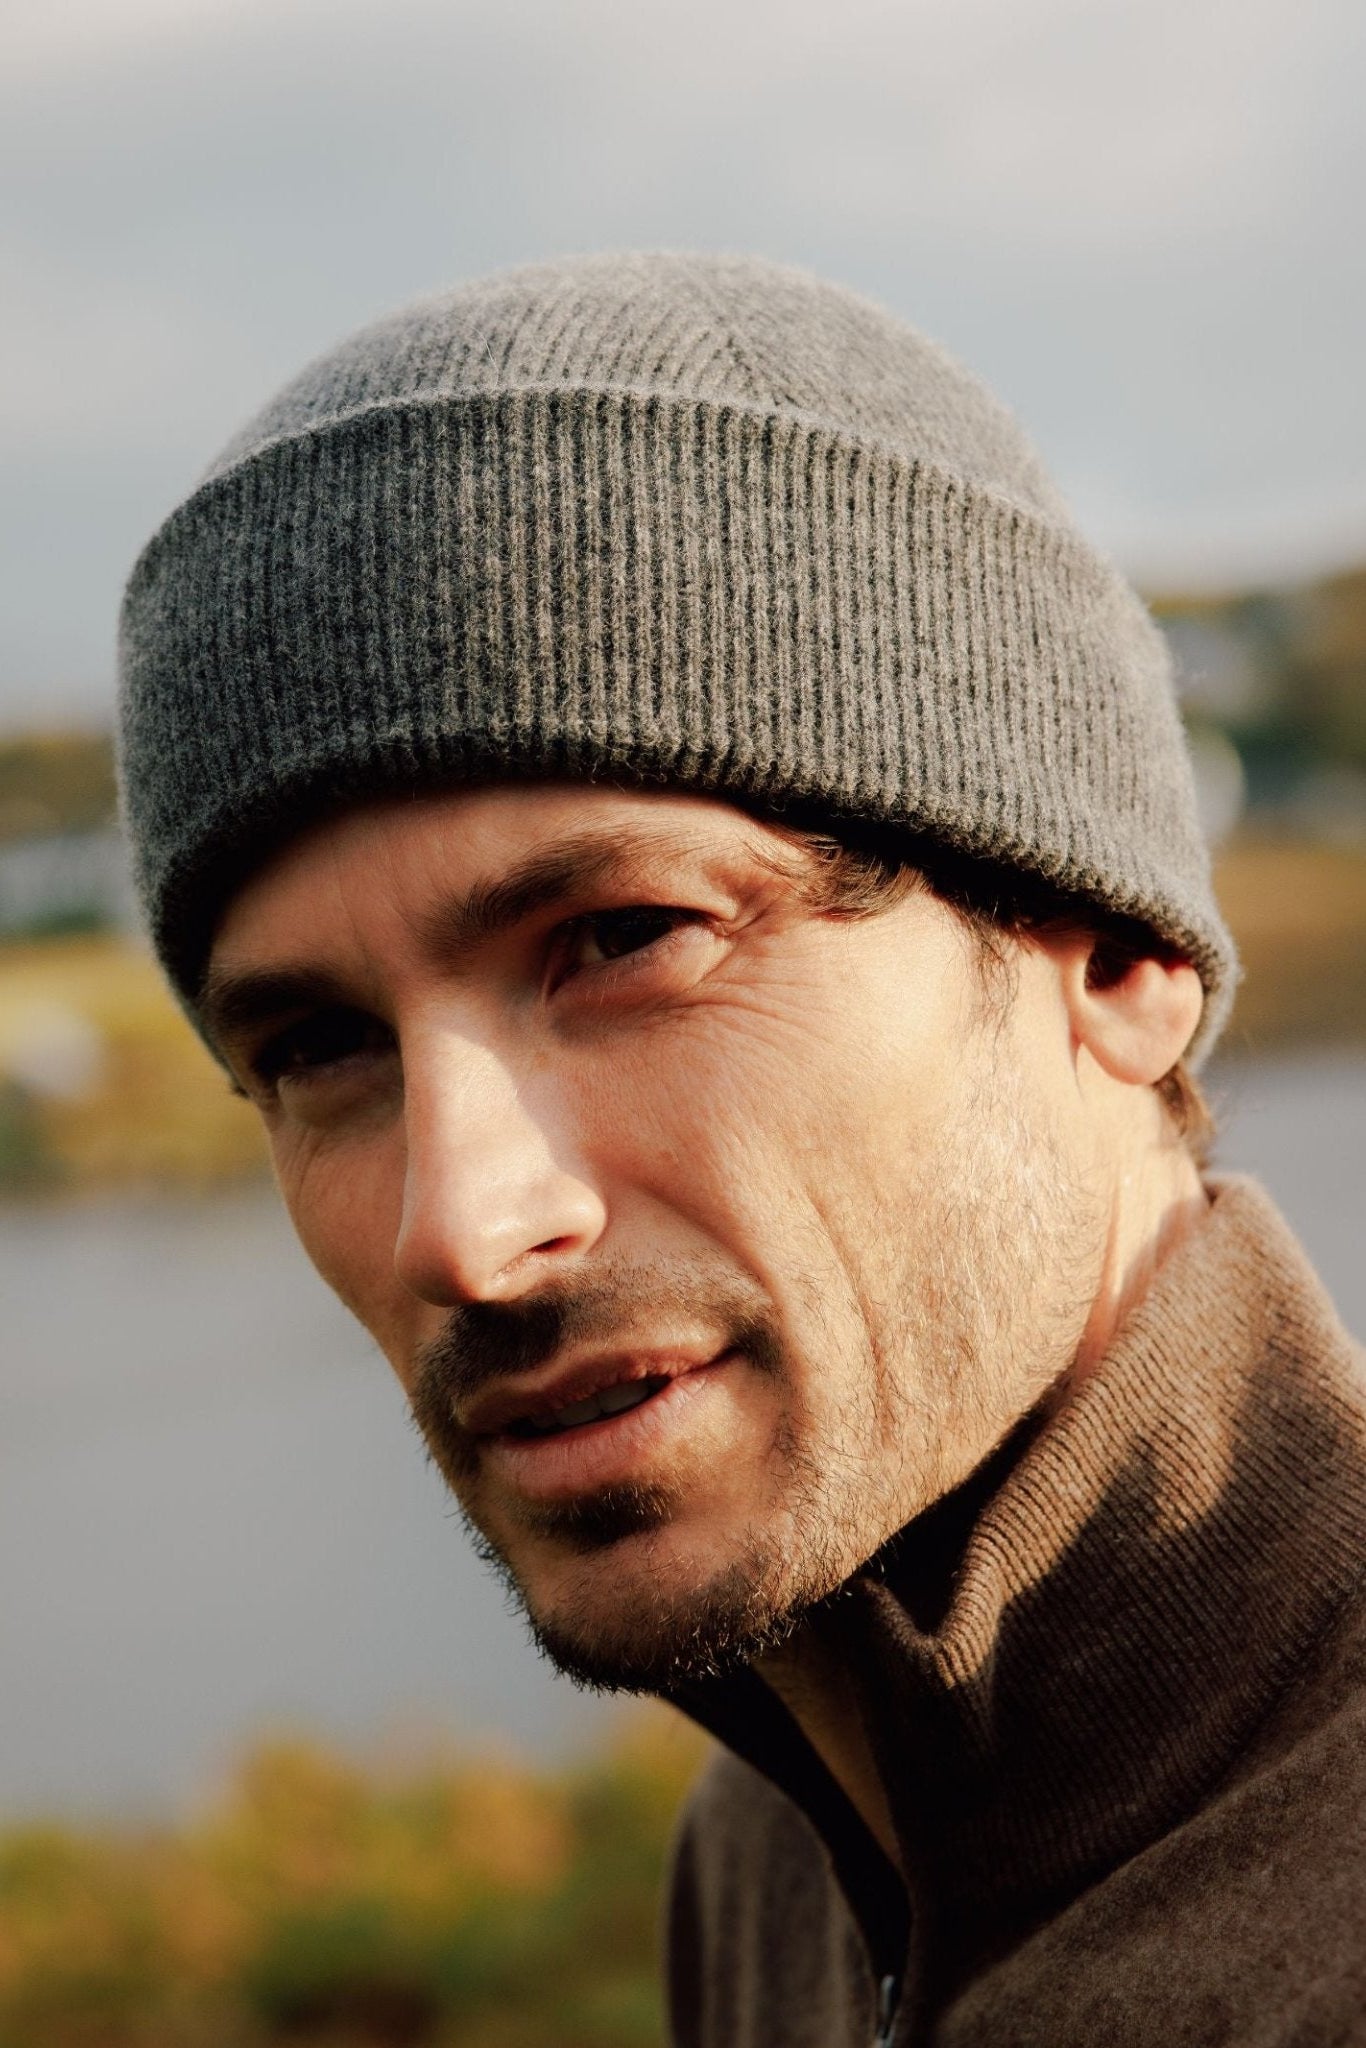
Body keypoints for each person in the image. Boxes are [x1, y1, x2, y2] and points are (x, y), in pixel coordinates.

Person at [117, 254, 1366, 2046]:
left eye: (626, 940)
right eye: (317, 1049)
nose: (460, 1225)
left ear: (1106, 956)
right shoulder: (779, 1850)